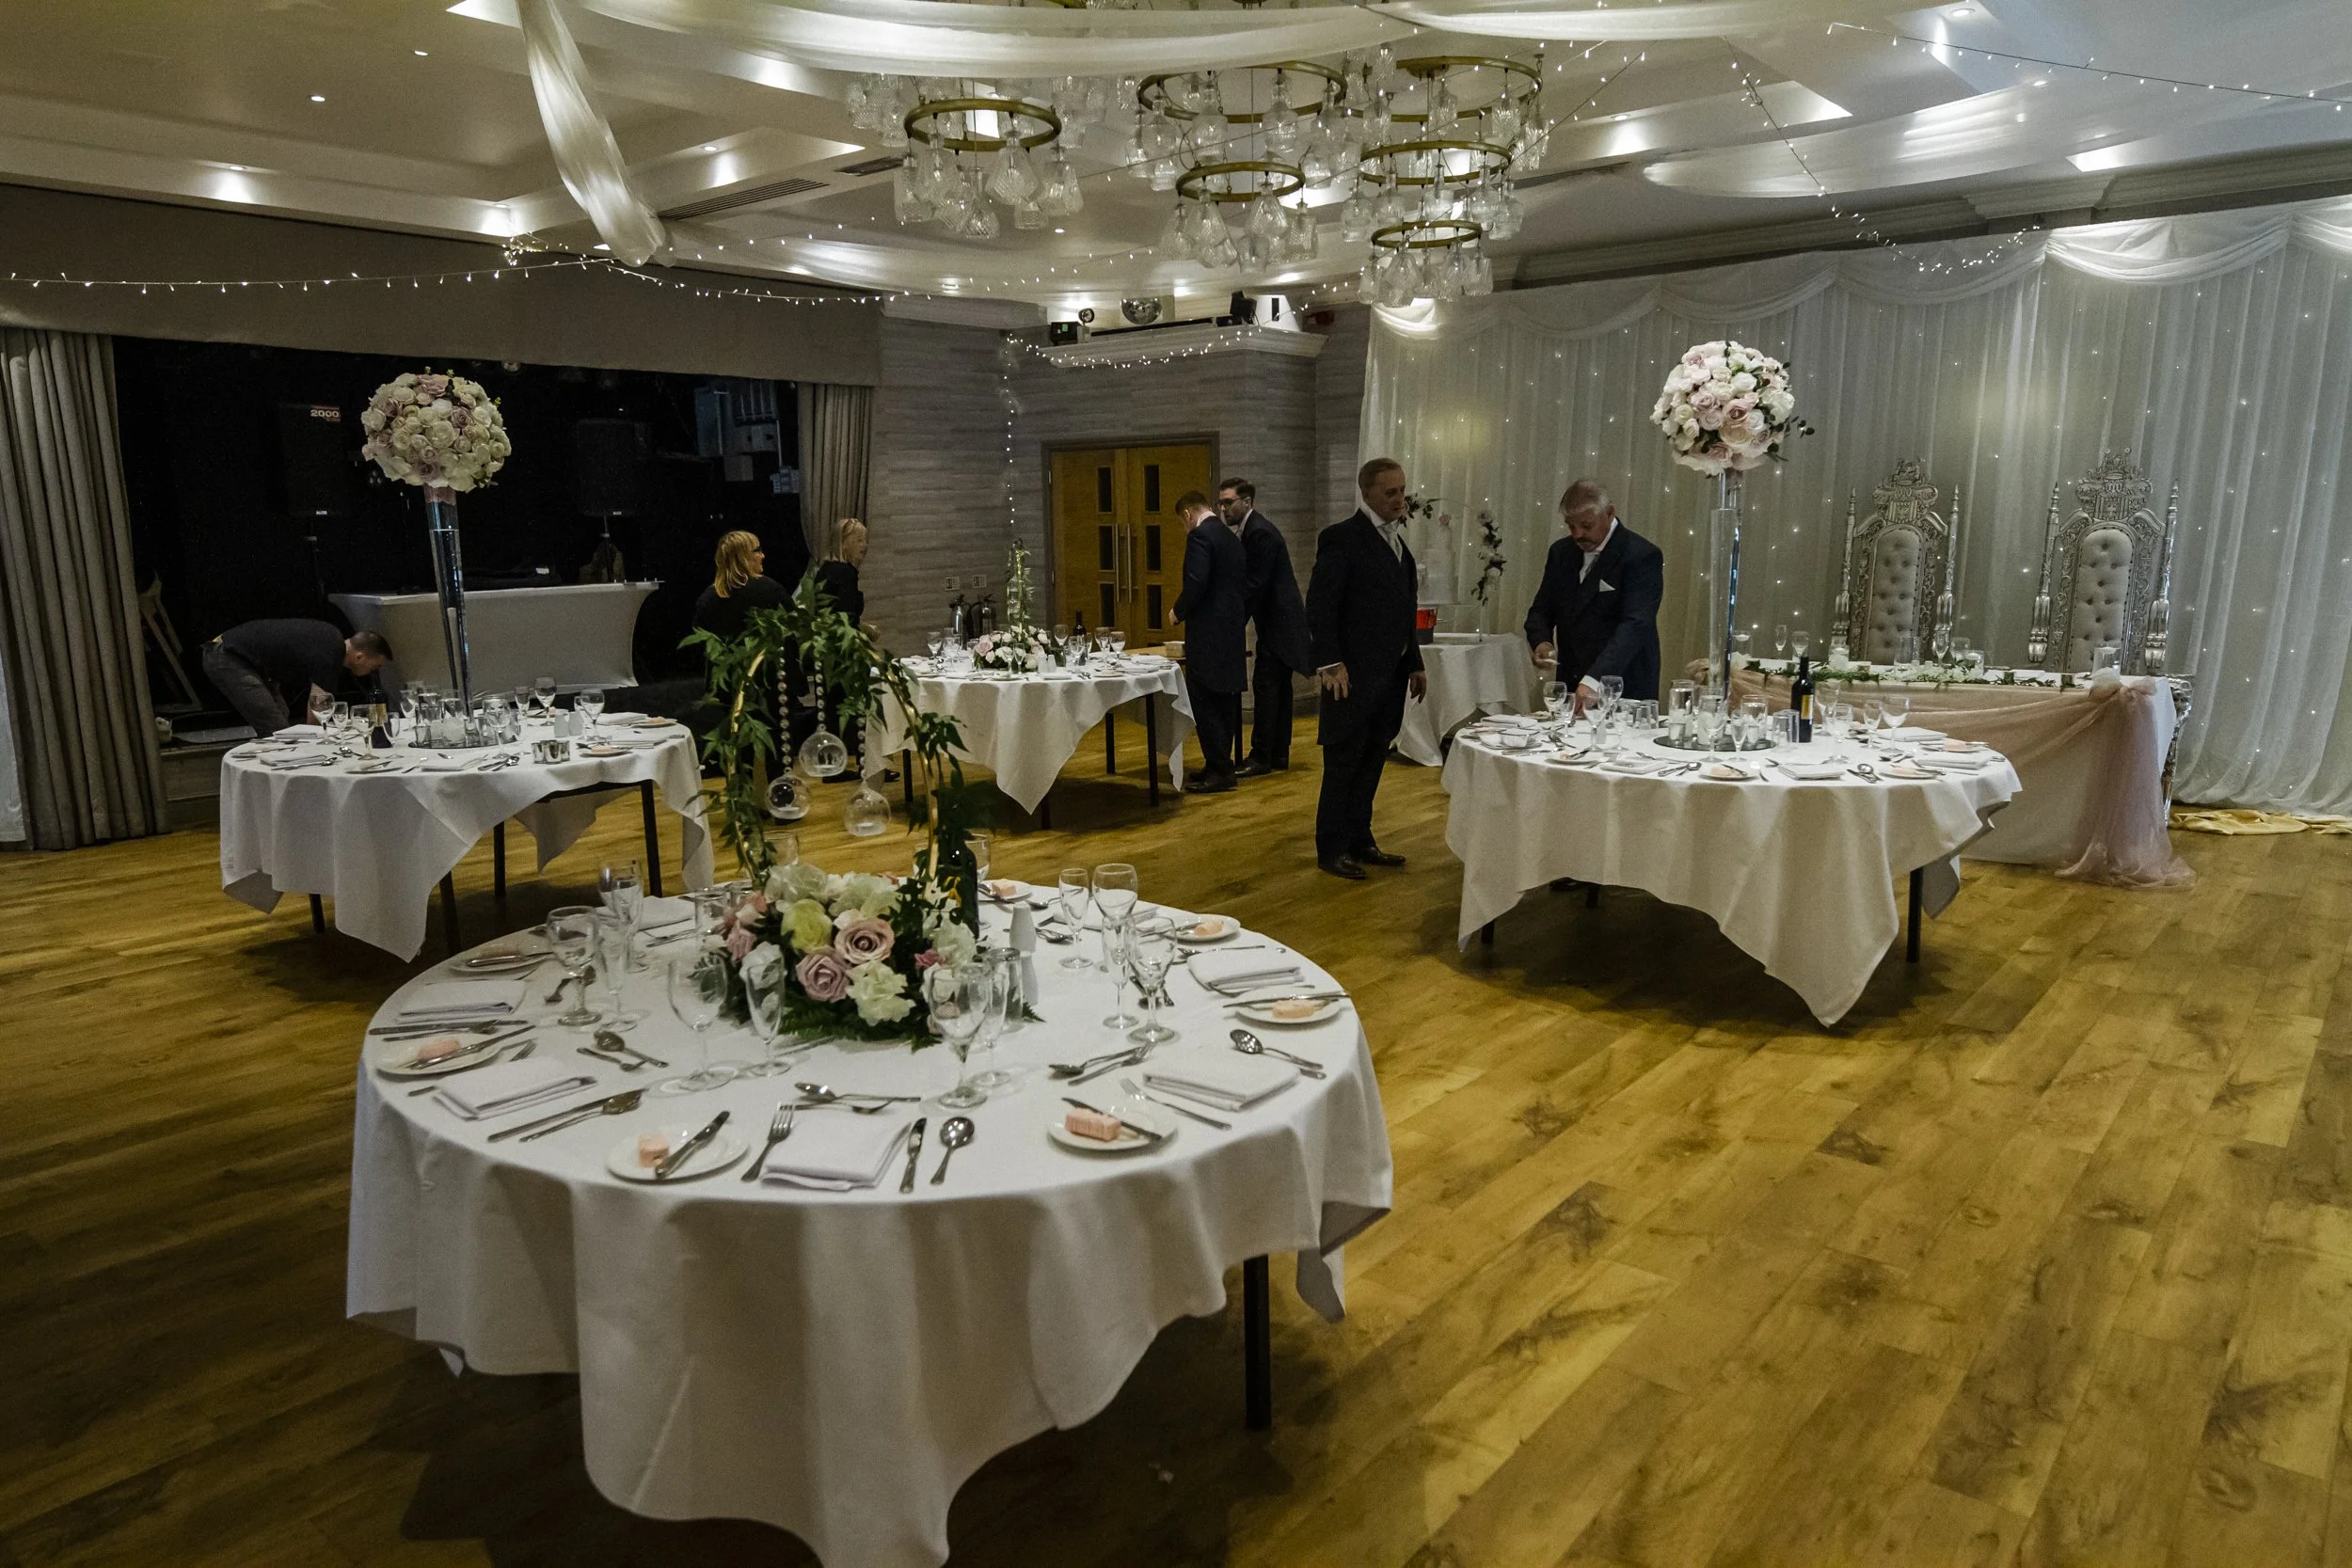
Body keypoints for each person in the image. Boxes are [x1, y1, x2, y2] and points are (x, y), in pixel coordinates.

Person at [1306, 458, 1427, 879]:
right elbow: (1321, 607)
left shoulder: (1400, 546)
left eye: (1402, 491)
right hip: (1350, 678)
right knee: (1344, 763)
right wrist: (1330, 662)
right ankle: (1332, 848)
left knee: (1374, 758)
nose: (1400, 499)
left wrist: (1414, 662)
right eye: (1390, 492)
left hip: (1389, 679)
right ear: (1367, 494)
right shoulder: (1341, 538)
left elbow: (1404, 610)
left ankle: (1361, 838)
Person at [1523, 479, 1663, 712]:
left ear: (1609, 513)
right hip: (1571, 681)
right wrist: (1541, 641)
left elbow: (1636, 625)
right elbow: (1542, 608)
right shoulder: (1561, 552)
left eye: (1586, 525)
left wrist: (1594, 679)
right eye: (1571, 525)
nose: (1578, 534)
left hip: (1623, 685)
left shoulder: (1641, 555)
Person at [1217, 478, 1312, 777]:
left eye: (1228, 502)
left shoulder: (1258, 532)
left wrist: (1231, 626)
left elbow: (1254, 586)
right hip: (1280, 622)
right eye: (1220, 503)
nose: (1223, 508)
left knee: (1267, 688)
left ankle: (1261, 757)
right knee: (1278, 691)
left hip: (1279, 625)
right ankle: (1277, 755)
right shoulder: (1255, 530)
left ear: (1247, 502)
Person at [1173, 491, 1248, 793]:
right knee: (1224, 702)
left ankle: (1219, 771)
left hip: (1208, 636)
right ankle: (1219, 763)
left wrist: (1178, 611)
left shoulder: (1200, 537)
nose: (1184, 528)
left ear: (1189, 514)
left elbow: (1196, 580)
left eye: (1183, 522)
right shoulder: (1230, 537)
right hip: (1230, 633)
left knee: (1203, 702)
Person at [203, 619, 390, 736]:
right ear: (360, 657)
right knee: (277, 731)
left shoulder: (330, 638)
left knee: (283, 727)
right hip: (228, 657)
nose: (374, 672)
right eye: (376, 666)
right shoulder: (331, 654)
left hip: (246, 660)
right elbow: (316, 716)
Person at [692, 530, 791, 641]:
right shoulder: (769, 589)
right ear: (743, 557)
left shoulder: (706, 599)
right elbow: (794, 626)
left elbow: (699, 642)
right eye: (757, 550)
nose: (763, 555)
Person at [810, 516, 868, 626]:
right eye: (859, 540)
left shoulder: (825, 568)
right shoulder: (846, 573)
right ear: (845, 543)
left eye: (865, 541)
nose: (864, 545)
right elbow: (846, 618)